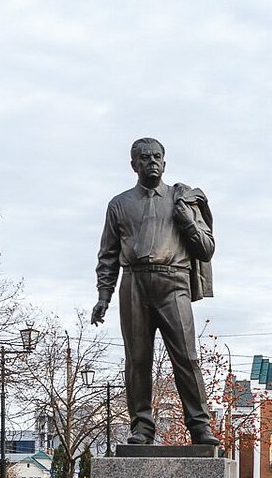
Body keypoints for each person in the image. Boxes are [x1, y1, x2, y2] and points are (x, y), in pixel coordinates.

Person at [92, 138, 218, 446]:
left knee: (186, 357)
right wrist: (103, 296)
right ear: (134, 165)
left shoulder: (182, 199)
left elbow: (207, 248)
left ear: (165, 162)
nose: (152, 162)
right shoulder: (119, 204)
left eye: (157, 157)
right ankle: (142, 427)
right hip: (134, 283)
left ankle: (199, 426)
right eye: (145, 158)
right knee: (137, 360)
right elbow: (108, 255)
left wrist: (187, 220)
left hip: (173, 283)